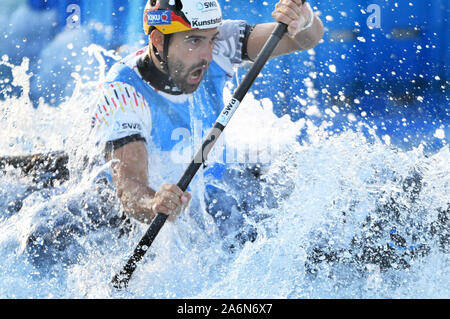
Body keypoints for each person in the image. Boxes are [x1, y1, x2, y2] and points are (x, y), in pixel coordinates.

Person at [89, 0, 324, 239]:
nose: (209, 55)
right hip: (120, 217)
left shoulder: (220, 42)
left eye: (211, 39)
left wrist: (304, 20)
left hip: (214, 193)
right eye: (194, 41)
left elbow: (302, 40)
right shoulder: (123, 92)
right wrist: (154, 203)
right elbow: (130, 190)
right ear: (158, 40)